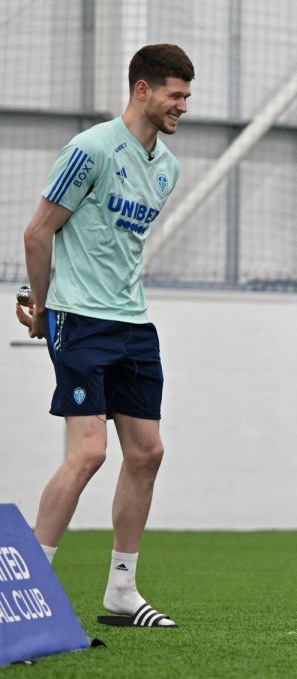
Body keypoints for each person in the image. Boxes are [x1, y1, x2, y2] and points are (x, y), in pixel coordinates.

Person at [16, 44, 194, 628]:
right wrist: (42, 308)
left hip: (134, 323)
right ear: (142, 89)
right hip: (78, 317)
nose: (183, 106)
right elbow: (38, 233)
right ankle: (31, 593)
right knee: (90, 452)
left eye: (187, 96)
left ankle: (121, 592)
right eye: (175, 94)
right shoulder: (90, 148)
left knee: (148, 452)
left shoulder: (167, 167)